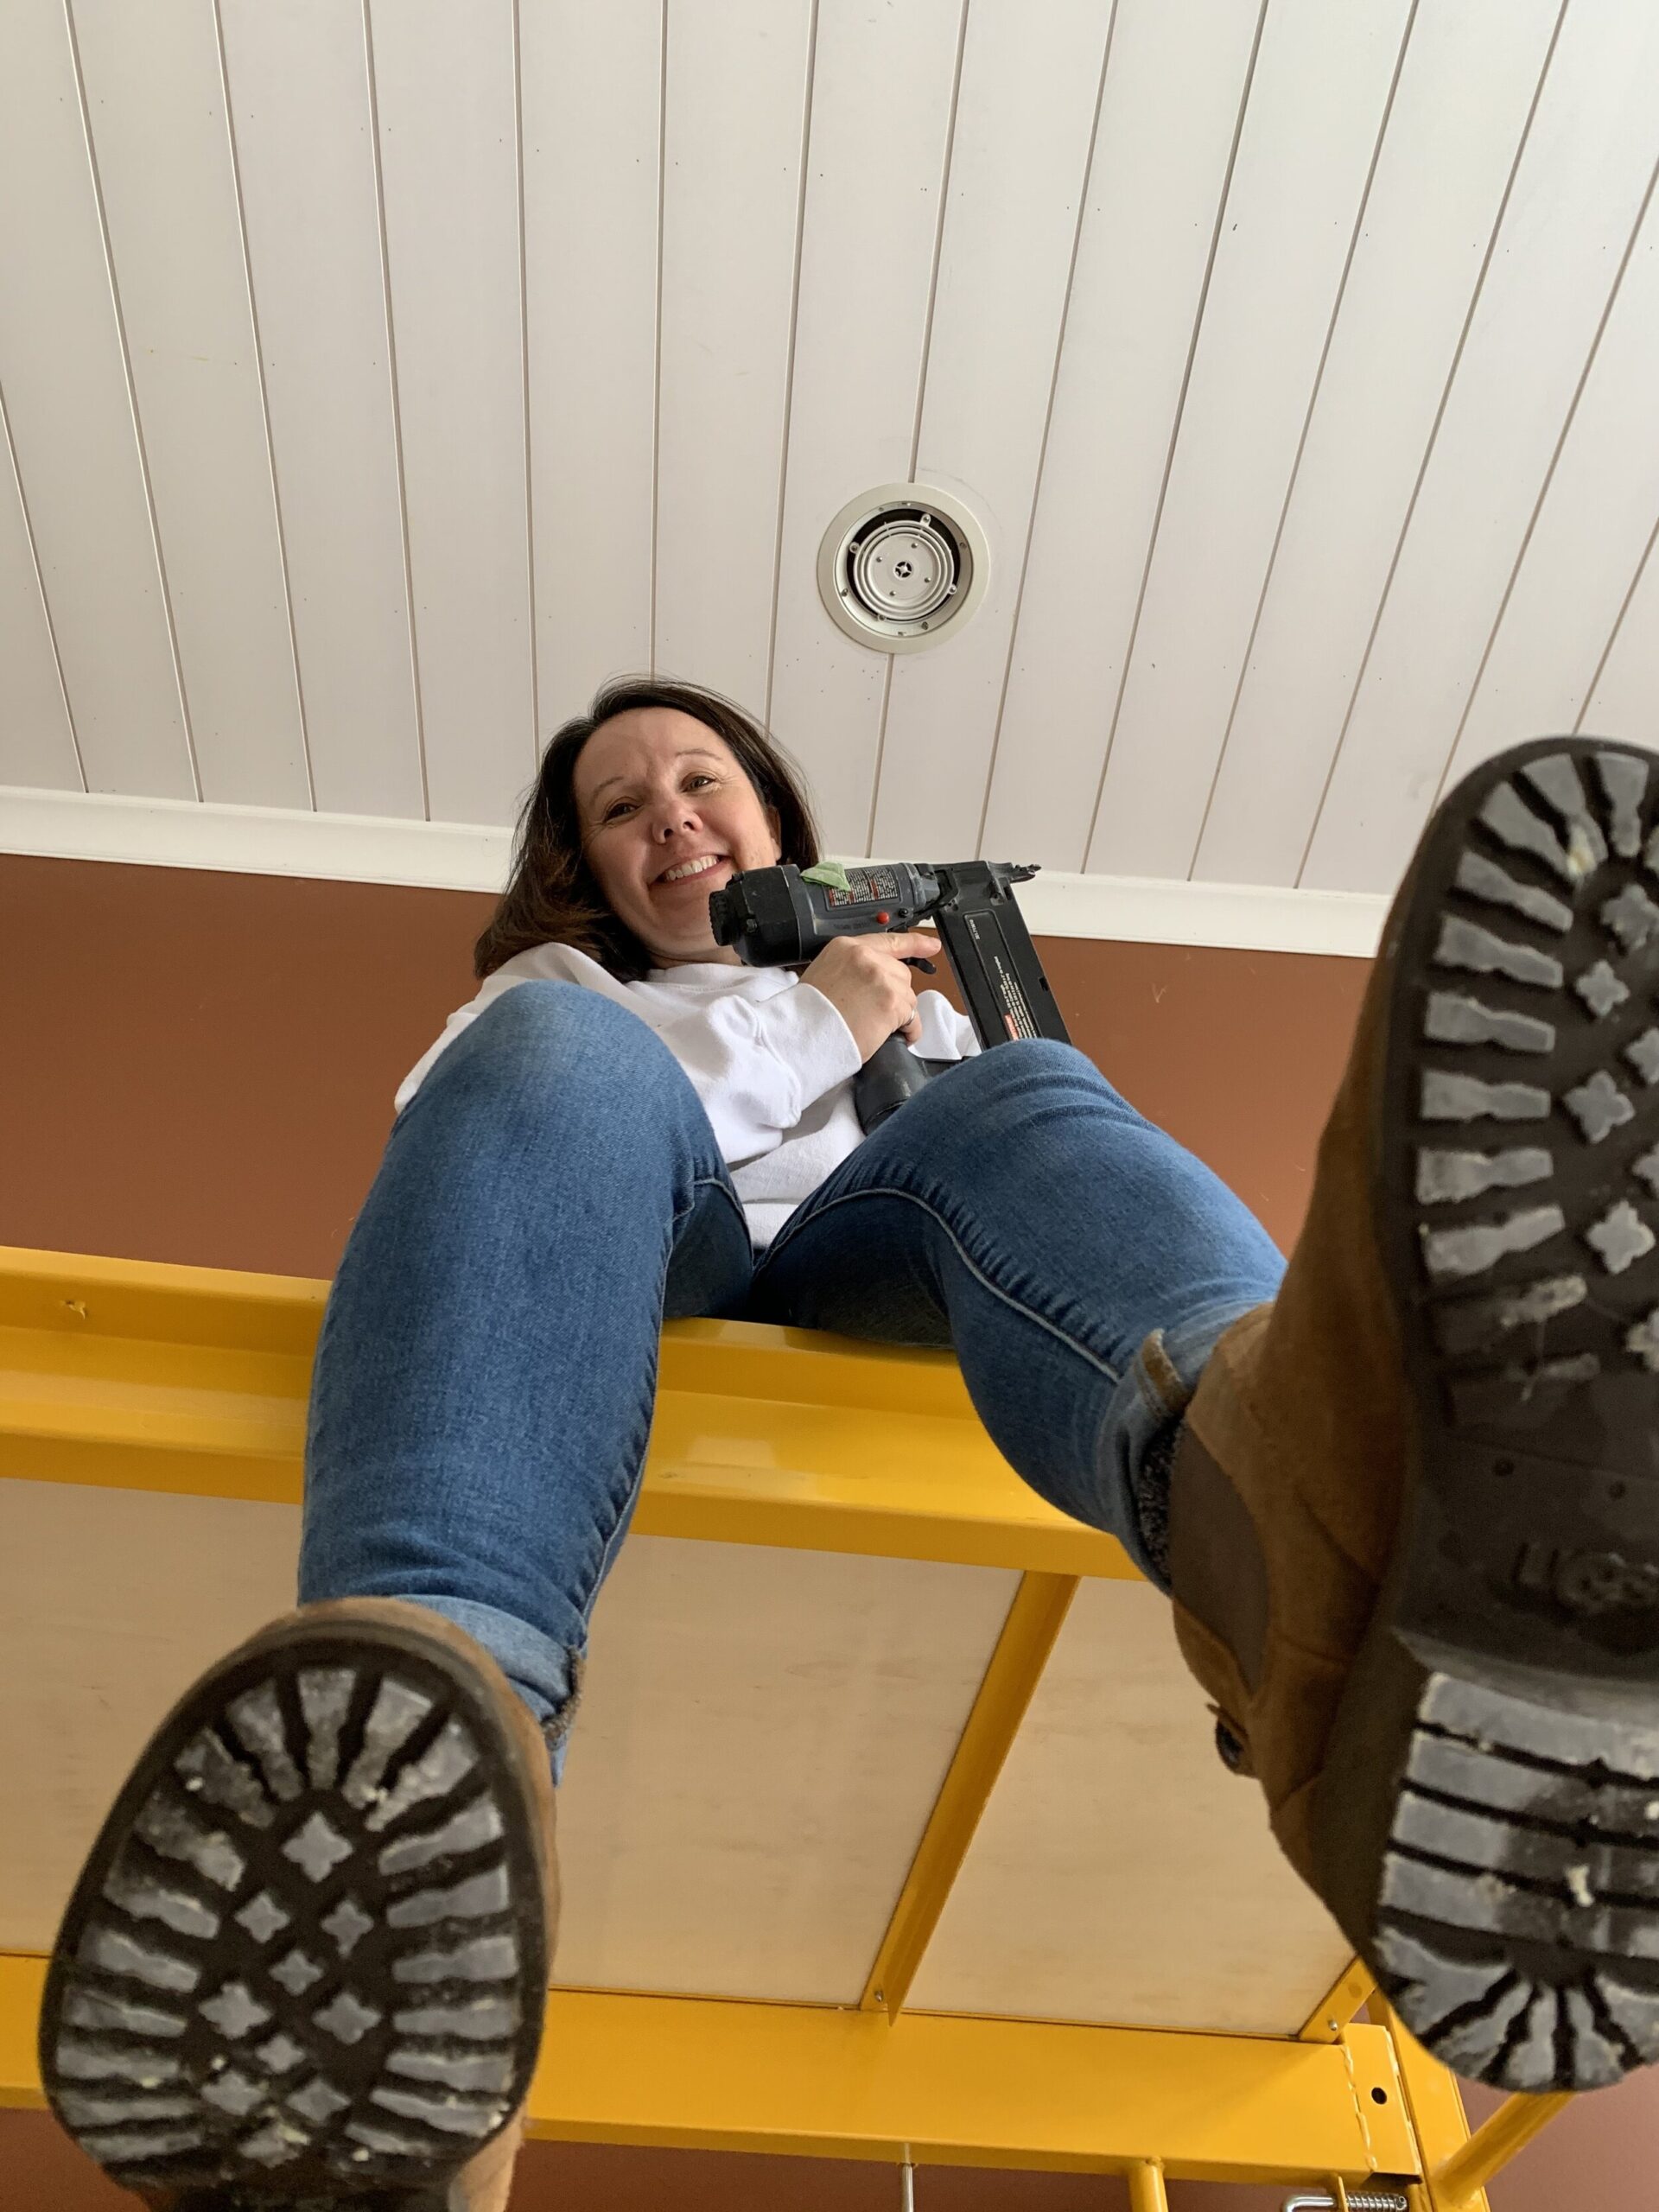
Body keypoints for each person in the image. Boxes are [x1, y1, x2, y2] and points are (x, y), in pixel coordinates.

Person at [40, 678, 1659, 2209]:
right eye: (620, 807)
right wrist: (816, 1022)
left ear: (773, 822)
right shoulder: (564, 996)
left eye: (700, 782)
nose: (668, 817)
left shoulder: (924, 1018)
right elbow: (480, 1155)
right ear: (583, 867)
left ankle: (1334, 1577)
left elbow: (1027, 1203)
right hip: (636, 1250)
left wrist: (897, 1034)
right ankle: (407, 1826)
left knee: (1035, 1098)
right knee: (545, 1063)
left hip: (874, 1255)